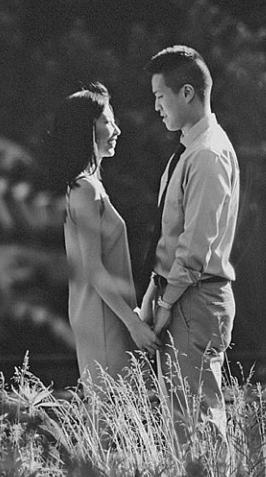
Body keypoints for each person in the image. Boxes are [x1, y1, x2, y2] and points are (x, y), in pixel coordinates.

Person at [140, 46, 240, 432]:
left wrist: (165, 303)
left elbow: (194, 248)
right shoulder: (189, 152)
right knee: (183, 421)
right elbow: (170, 239)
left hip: (194, 299)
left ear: (187, 93)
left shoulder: (208, 155)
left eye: (159, 97)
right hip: (183, 296)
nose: (156, 108)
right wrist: (154, 297)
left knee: (198, 422)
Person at [47, 83, 160, 390]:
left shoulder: (87, 187)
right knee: (113, 421)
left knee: (118, 420)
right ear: (87, 129)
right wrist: (134, 323)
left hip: (108, 315)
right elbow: (93, 270)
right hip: (104, 318)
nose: (117, 130)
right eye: (108, 121)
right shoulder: (85, 190)